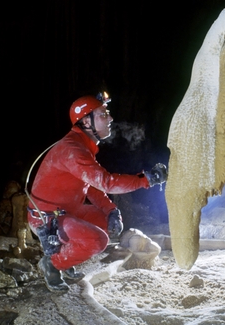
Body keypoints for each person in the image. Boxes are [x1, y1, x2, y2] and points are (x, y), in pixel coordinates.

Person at [27, 92, 167, 292]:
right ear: (86, 122)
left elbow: (92, 185)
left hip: (66, 211)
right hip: (47, 219)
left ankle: (65, 257)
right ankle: (52, 264)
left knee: (105, 222)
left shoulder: (82, 145)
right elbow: (106, 182)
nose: (110, 118)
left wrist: (111, 210)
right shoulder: (73, 150)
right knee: (98, 240)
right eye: (103, 114)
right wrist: (146, 179)